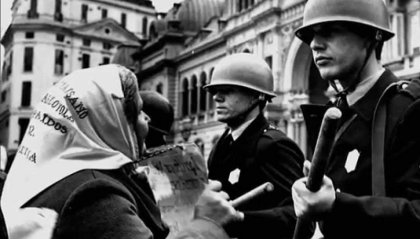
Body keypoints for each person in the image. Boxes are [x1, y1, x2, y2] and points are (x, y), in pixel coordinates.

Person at [0, 64, 241, 239]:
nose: (145, 118)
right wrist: (203, 219)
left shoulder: (56, 176)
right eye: (137, 111)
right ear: (111, 122)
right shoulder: (94, 195)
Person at [291, 0, 420, 238]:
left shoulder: (410, 109)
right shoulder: (333, 113)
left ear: (372, 35)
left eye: (329, 31)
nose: (315, 45)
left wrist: (336, 206)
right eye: (311, 36)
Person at [203, 53, 306, 239]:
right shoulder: (222, 144)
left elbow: (297, 214)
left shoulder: (275, 146)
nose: (217, 98)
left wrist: (241, 219)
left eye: (228, 90)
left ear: (255, 96)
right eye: (215, 91)